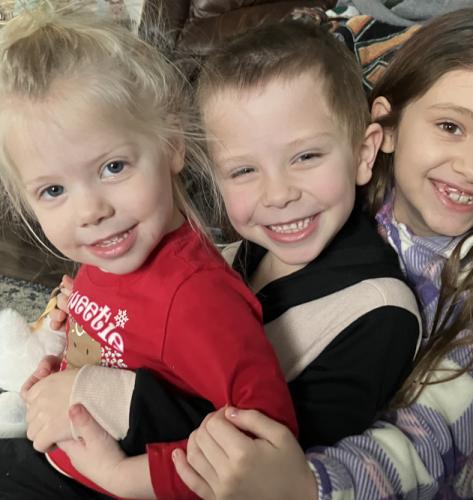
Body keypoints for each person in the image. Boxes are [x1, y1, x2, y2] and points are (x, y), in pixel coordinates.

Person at [19, 19, 423, 498]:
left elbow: (271, 468)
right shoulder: (242, 252)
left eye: (306, 157)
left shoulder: (379, 313)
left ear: (363, 153)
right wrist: (78, 358)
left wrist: (103, 405)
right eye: (244, 170)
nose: (278, 194)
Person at [166, 7, 473, 499]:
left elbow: (429, 441)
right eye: (451, 127)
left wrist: (308, 485)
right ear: (384, 131)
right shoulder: (336, 192)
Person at [0, 3, 298, 499]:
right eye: (53, 191)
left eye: (113, 167)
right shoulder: (109, 249)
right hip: (60, 454)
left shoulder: (198, 301)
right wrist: (59, 375)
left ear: (172, 143)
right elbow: (115, 346)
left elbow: (263, 452)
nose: (90, 210)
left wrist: (128, 475)